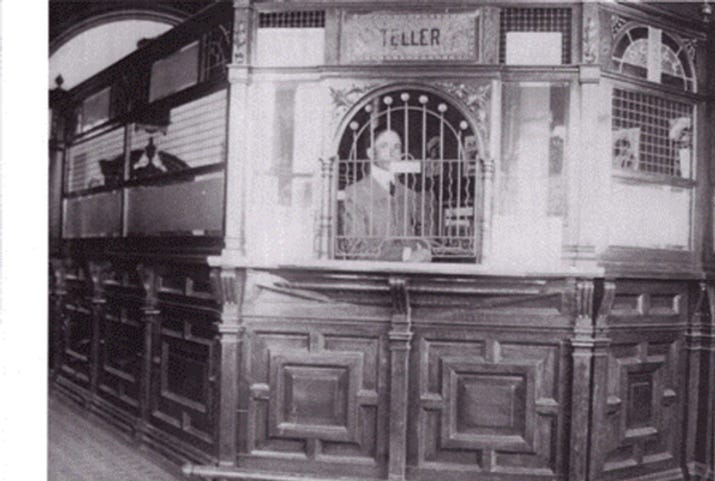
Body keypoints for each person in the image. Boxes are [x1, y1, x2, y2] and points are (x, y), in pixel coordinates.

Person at [340, 129, 435, 261]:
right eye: (384, 146)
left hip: (414, 272)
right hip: (375, 273)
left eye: (397, 147)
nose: (392, 152)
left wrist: (424, 249)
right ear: (371, 153)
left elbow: (428, 237)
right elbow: (355, 248)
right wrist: (405, 254)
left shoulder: (410, 195)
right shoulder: (355, 193)